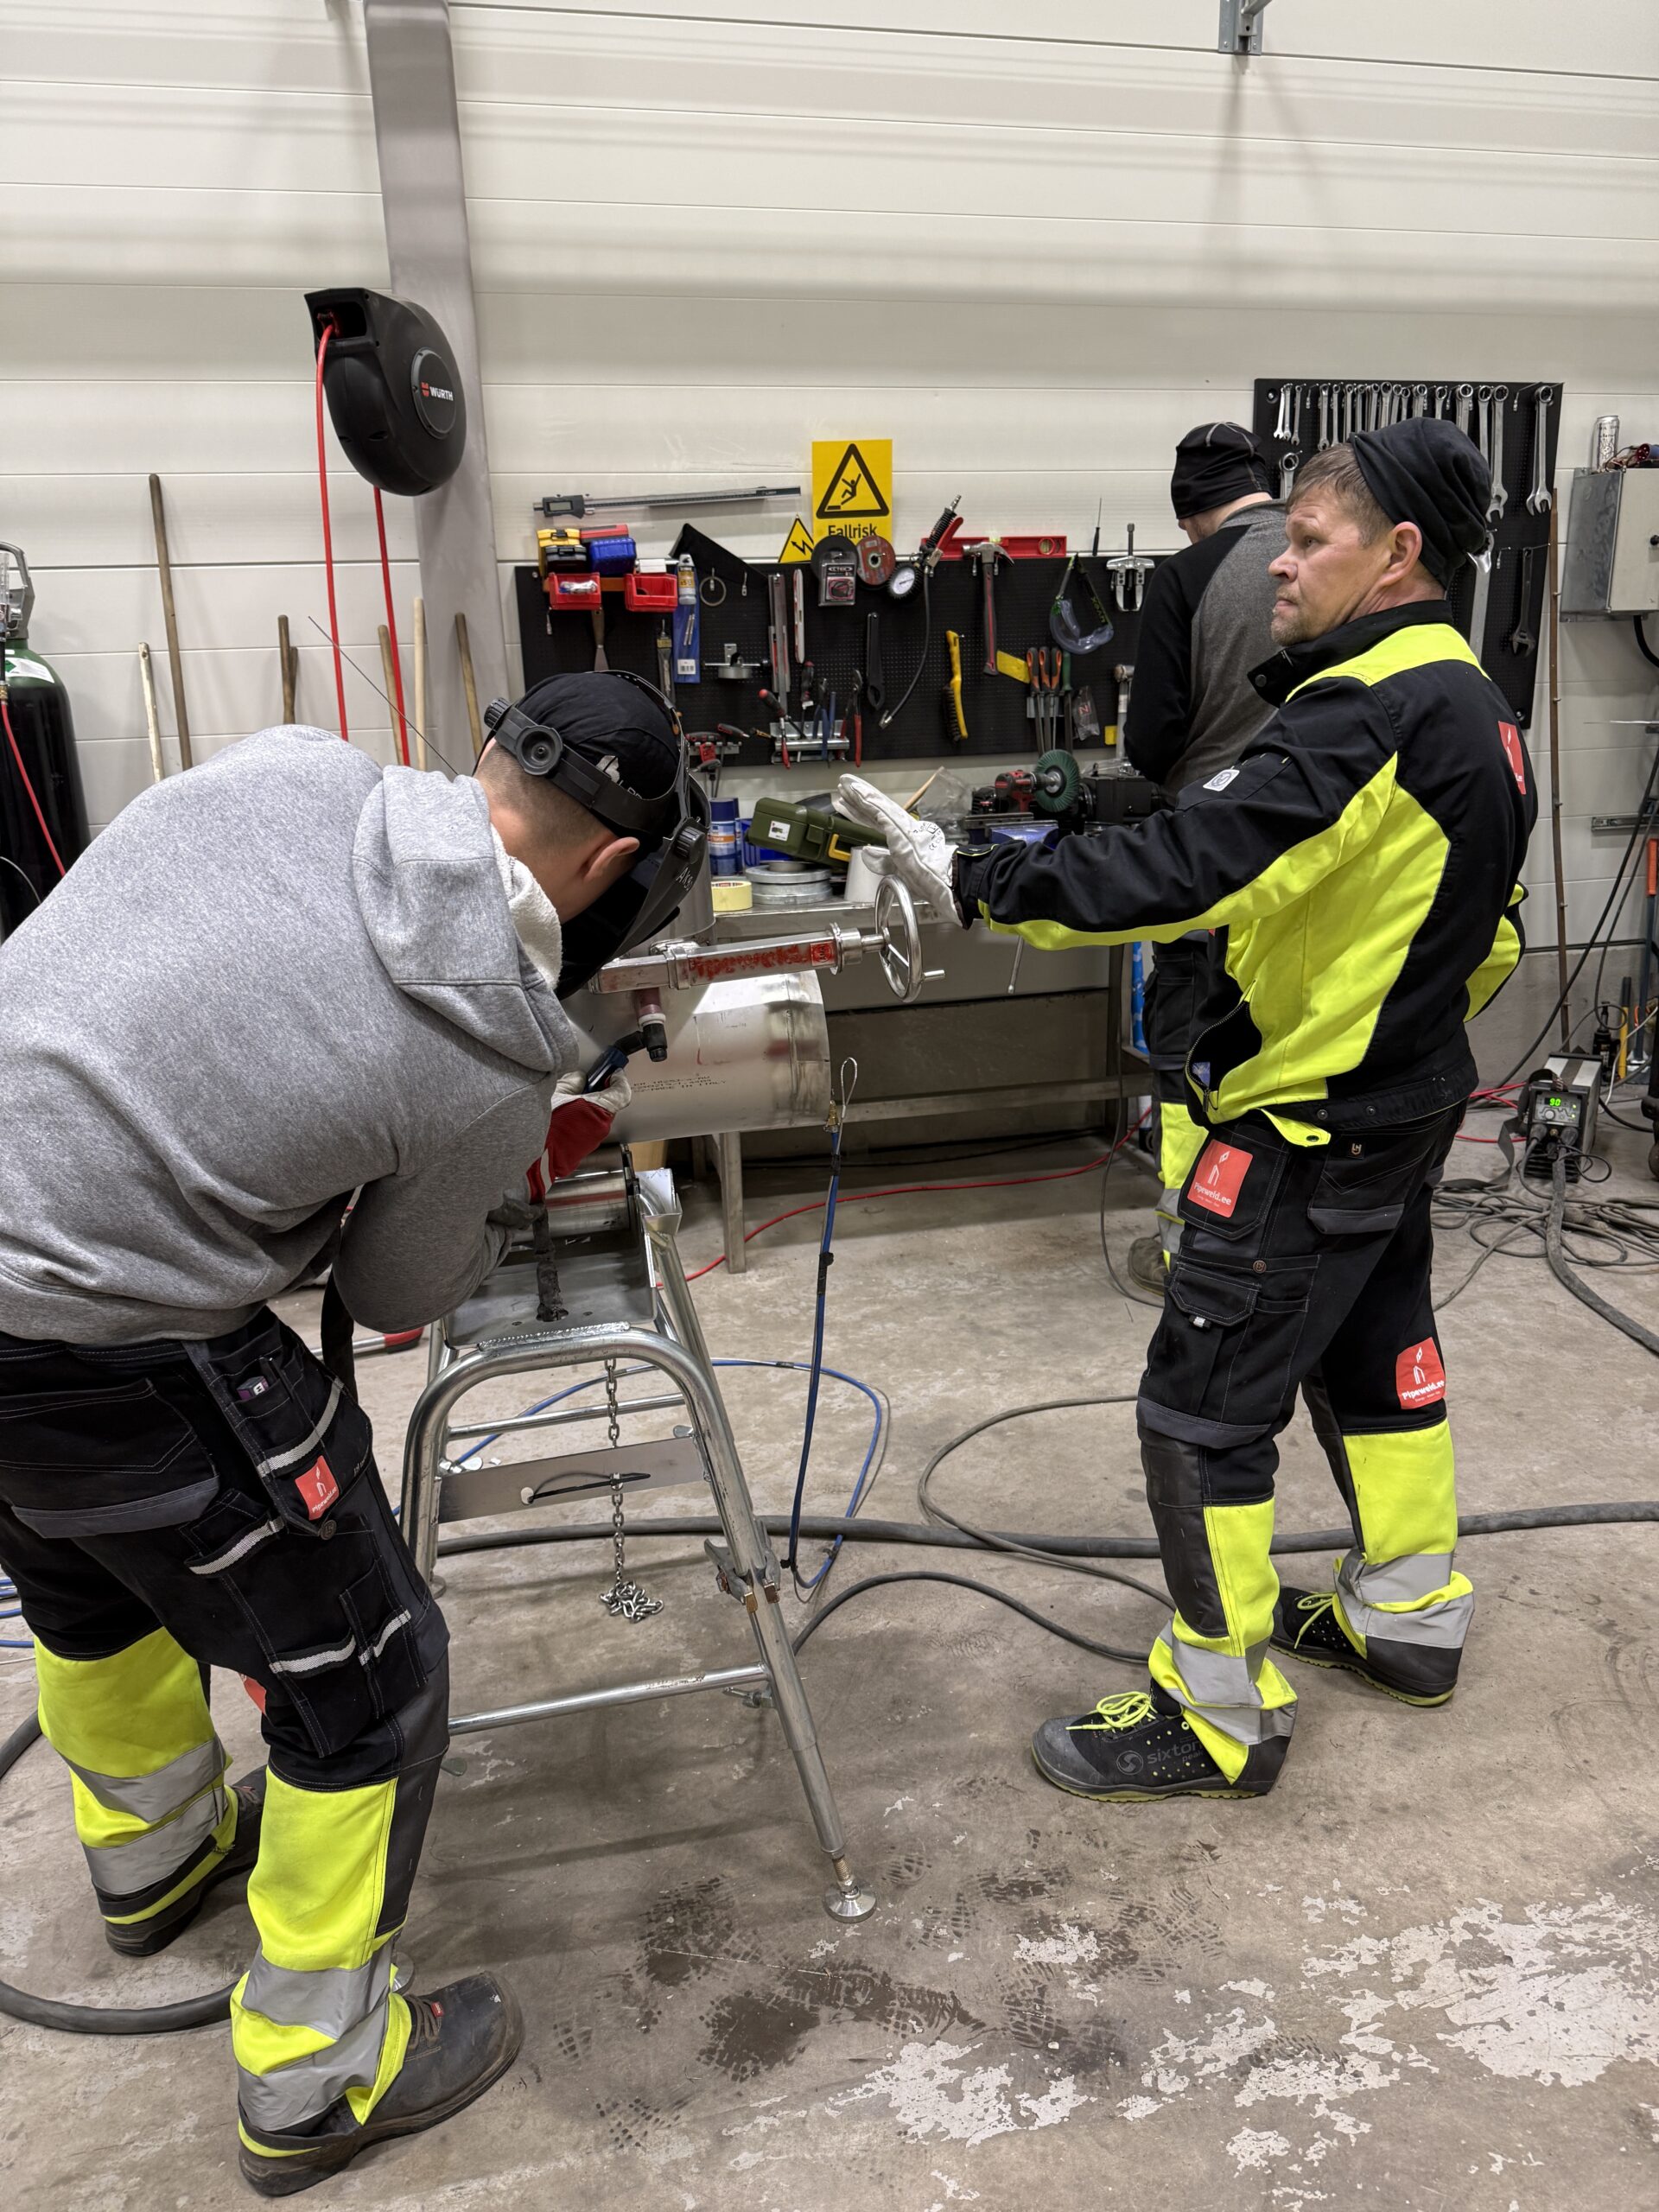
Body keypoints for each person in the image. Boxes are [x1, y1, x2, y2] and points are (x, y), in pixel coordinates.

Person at [0, 672, 690, 2193]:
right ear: (604, 874)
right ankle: (317, 2076)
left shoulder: (289, 761)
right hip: (120, 1330)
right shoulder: (489, 1038)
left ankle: (155, 1857)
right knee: (371, 1683)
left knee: (87, 1573)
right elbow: (397, 1290)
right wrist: (497, 1141)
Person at [837, 416, 1535, 1803]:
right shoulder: (1474, 701)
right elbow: (1492, 936)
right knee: (1378, 1361)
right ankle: (1409, 1617)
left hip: (1304, 1123)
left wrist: (981, 880)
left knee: (1203, 1412)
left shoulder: (1367, 711)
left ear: (1397, 555)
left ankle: (1219, 1712)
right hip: (1399, 1107)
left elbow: (1195, 867)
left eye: (1312, 543)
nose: (1280, 567)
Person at [1125, 423, 1287, 1290]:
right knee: (1284, 1053)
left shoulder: (1187, 575)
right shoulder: (1330, 554)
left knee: (1191, 1048)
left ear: (1190, 510)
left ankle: (1192, 1249)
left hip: (1211, 865)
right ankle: (1280, 1241)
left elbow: (1151, 743)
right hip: (1320, 868)